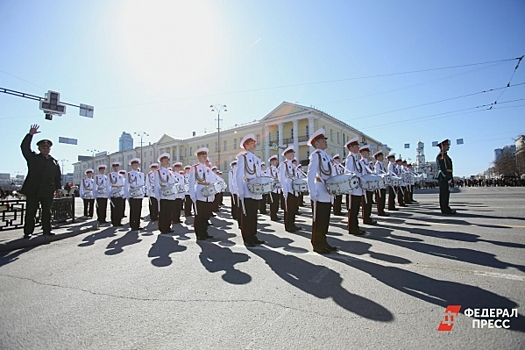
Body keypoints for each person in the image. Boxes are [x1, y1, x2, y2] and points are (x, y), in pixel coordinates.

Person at [20, 124, 62, 238]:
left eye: (48, 148)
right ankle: (28, 232)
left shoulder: (54, 162)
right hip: (33, 190)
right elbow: (24, 148)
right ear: (39, 148)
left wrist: (58, 188)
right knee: (31, 211)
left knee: (47, 212)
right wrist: (30, 135)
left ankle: (47, 230)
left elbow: (57, 176)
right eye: (43, 147)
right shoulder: (33, 158)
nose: (46, 149)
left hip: (47, 190)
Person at [307, 128, 338, 254]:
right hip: (319, 191)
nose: (325, 142)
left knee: (325, 220)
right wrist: (312, 192)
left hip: (327, 192)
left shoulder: (326, 156)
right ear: (317, 144)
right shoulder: (316, 156)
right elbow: (310, 175)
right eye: (322, 141)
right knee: (319, 220)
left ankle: (324, 242)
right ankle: (317, 244)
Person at [235, 134, 266, 247]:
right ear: (245, 146)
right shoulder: (243, 157)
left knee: (254, 214)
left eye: (254, 143)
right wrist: (240, 191)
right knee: (247, 214)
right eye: (250, 143)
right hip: (247, 188)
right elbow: (238, 176)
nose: (253, 145)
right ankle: (247, 238)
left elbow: (259, 174)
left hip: (256, 189)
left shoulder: (256, 158)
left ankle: (253, 235)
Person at [189, 147, 219, 240]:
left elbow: (212, 182)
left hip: (209, 195)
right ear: (198, 157)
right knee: (199, 215)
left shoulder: (208, 169)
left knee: (206, 215)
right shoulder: (194, 168)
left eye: (205, 156)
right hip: (199, 194)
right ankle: (199, 234)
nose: (204, 157)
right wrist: (192, 195)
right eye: (202, 156)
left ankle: (205, 232)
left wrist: (213, 194)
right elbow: (191, 182)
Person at [344, 137, 366, 236]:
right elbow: (348, 173)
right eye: (357, 146)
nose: (358, 148)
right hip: (353, 188)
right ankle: (352, 228)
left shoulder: (355, 158)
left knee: (356, 209)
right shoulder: (350, 158)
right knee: (353, 209)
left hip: (358, 187)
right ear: (351, 147)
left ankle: (355, 226)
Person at [279, 146, 300, 233]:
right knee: (288, 208)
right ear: (286, 155)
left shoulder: (292, 165)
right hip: (288, 188)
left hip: (293, 188)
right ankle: (288, 225)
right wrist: (284, 190)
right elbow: (281, 177)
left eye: (293, 154)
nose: (292, 155)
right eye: (291, 154)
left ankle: (292, 223)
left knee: (293, 208)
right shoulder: (284, 164)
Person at [154, 153, 177, 234]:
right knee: (163, 213)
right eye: (165, 161)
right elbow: (156, 184)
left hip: (170, 195)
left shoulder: (170, 172)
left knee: (169, 212)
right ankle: (163, 228)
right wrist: (157, 196)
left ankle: (168, 227)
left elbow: (174, 183)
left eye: (168, 161)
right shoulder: (158, 172)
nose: (167, 162)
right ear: (161, 162)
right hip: (163, 195)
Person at [435, 139, 456, 214]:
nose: (449, 147)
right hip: (443, 177)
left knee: (446, 193)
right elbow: (442, 168)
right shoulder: (441, 155)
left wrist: (451, 177)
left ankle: (446, 207)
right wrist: (447, 178)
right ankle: (444, 209)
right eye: (447, 146)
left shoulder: (445, 155)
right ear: (442, 146)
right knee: (444, 193)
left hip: (446, 177)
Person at [359, 144, 377, 225]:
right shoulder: (362, 162)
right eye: (366, 152)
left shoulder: (367, 162)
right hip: (365, 185)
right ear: (362, 153)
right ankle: (366, 218)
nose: (368, 154)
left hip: (369, 185)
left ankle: (368, 217)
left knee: (369, 202)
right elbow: (363, 174)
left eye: (368, 152)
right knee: (366, 202)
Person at [125, 158, 145, 231]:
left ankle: (137, 224)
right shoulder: (129, 174)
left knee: (138, 210)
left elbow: (142, 184)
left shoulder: (141, 174)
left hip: (139, 194)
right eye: (134, 165)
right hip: (132, 194)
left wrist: (143, 194)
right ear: (132, 166)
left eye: (137, 165)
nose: (136, 166)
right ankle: (133, 225)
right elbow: (126, 185)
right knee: (133, 210)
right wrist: (127, 195)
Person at [373, 150, 389, 216]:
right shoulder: (377, 164)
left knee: (383, 198)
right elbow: (377, 174)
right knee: (380, 198)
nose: (383, 157)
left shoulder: (381, 164)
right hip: (379, 184)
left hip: (383, 184)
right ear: (378, 157)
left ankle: (382, 210)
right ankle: (380, 211)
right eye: (381, 156)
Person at [109, 162, 125, 227]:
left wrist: (124, 194)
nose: (116, 168)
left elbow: (123, 185)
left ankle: (118, 221)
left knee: (120, 209)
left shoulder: (121, 176)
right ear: (113, 168)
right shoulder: (110, 175)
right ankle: (114, 222)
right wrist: (109, 195)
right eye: (114, 167)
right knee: (114, 209)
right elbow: (108, 186)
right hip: (113, 194)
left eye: (117, 167)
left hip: (120, 194)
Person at [267, 155, 281, 221]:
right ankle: (273, 216)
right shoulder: (269, 169)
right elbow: (268, 177)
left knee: (277, 203)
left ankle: (275, 214)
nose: (276, 162)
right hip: (273, 188)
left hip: (278, 188)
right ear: (272, 162)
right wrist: (274, 179)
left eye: (276, 161)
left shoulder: (277, 169)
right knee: (273, 203)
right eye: (275, 161)